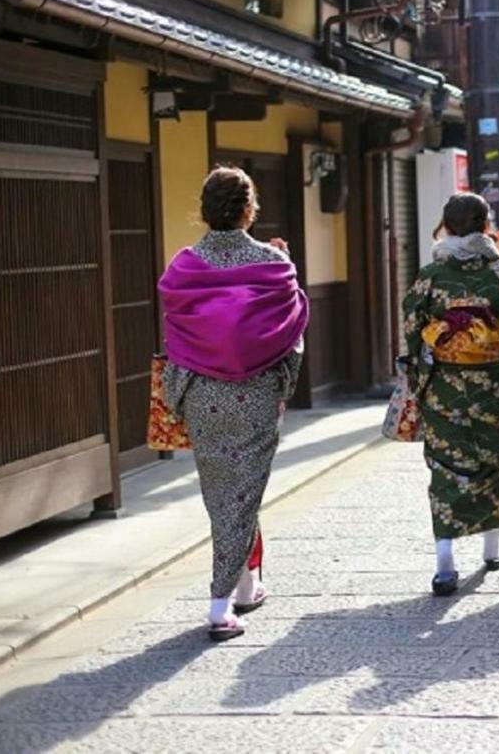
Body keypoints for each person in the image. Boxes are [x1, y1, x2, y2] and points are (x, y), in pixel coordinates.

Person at [158, 166, 308, 642]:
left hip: (203, 392)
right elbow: (291, 324)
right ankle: (219, 606)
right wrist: (284, 382)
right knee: (244, 492)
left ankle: (247, 585)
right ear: (250, 209)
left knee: (225, 493)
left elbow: (176, 329)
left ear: (204, 211)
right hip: (257, 391)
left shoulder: (184, 265)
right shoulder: (272, 263)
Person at [401, 193, 499, 597]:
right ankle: (491, 551)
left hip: (443, 385)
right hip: (491, 383)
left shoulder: (431, 275)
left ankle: (445, 563)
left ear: (448, 226)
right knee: (492, 460)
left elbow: (412, 328)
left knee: (446, 467)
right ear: (485, 225)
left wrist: (424, 361)